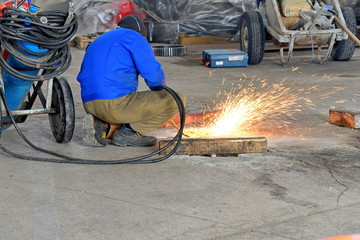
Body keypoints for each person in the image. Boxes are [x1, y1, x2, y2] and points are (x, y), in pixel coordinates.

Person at [77, 15, 185, 147]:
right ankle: (128, 134)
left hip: (89, 103)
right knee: (176, 100)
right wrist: (160, 92)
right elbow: (152, 73)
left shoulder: (99, 40)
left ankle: (103, 124)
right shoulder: (134, 37)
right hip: (113, 104)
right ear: (142, 33)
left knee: (125, 102)